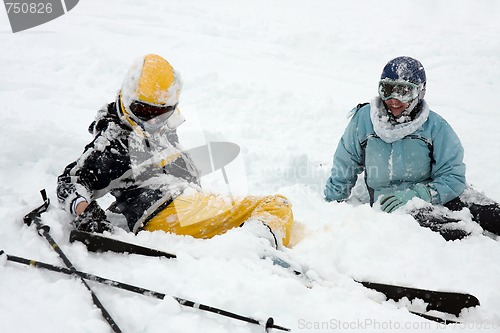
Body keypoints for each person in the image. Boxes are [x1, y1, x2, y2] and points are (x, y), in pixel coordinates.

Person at [57, 54, 293, 249]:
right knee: (275, 205)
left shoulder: (151, 125)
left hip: (181, 204)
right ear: (128, 99)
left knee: (263, 208)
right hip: (169, 211)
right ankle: (254, 251)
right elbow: (71, 180)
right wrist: (84, 212)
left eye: (161, 113)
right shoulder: (115, 139)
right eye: (143, 111)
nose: (151, 121)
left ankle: (251, 241)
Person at [324, 56, 500, 240]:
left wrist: (423, 193)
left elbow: (453, 175)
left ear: (420, 92)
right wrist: (331, 201)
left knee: (491, 214)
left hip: (434, 191)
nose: (394, 100)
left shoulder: (435, 126)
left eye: (404, 92)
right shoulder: (364, 120)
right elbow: (346, 162)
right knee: (457, 235)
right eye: (387, 90)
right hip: (392, 202)